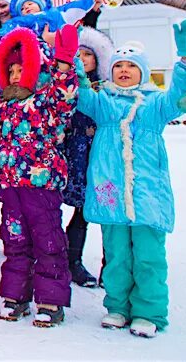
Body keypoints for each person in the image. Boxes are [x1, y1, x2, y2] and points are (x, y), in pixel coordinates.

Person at [79, 21, 186, 338]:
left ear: (143, 72)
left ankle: (148, 311)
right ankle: (117, 307)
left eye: (131, 66)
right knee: (116, 256)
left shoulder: (155, 105)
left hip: (147, 194)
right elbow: (80, 91)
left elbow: (179, 95)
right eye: (118, 66)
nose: (124, 71)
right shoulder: (104, 104)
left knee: (149, 256)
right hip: (110, 191)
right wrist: (71, 56)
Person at [0, 25, 79, 328]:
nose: (16, 75)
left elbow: (66, 95)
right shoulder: (2, 102)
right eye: (11, 70)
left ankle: (51, 300)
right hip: (10, 185)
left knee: (48, 240)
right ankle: (16, 296)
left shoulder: (46, 102)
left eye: (22, 68)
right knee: (15, 239)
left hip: (41, 187)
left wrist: (64, 60)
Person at [64, 26, 114, 288]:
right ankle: (72, 262)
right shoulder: (67, 84)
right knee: (80, 211)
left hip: (104, 155)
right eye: (78, 53)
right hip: (77, 153)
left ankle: (111, 267)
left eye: (88, 54)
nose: (82, 59)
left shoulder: (108, 88)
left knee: (109, 211)